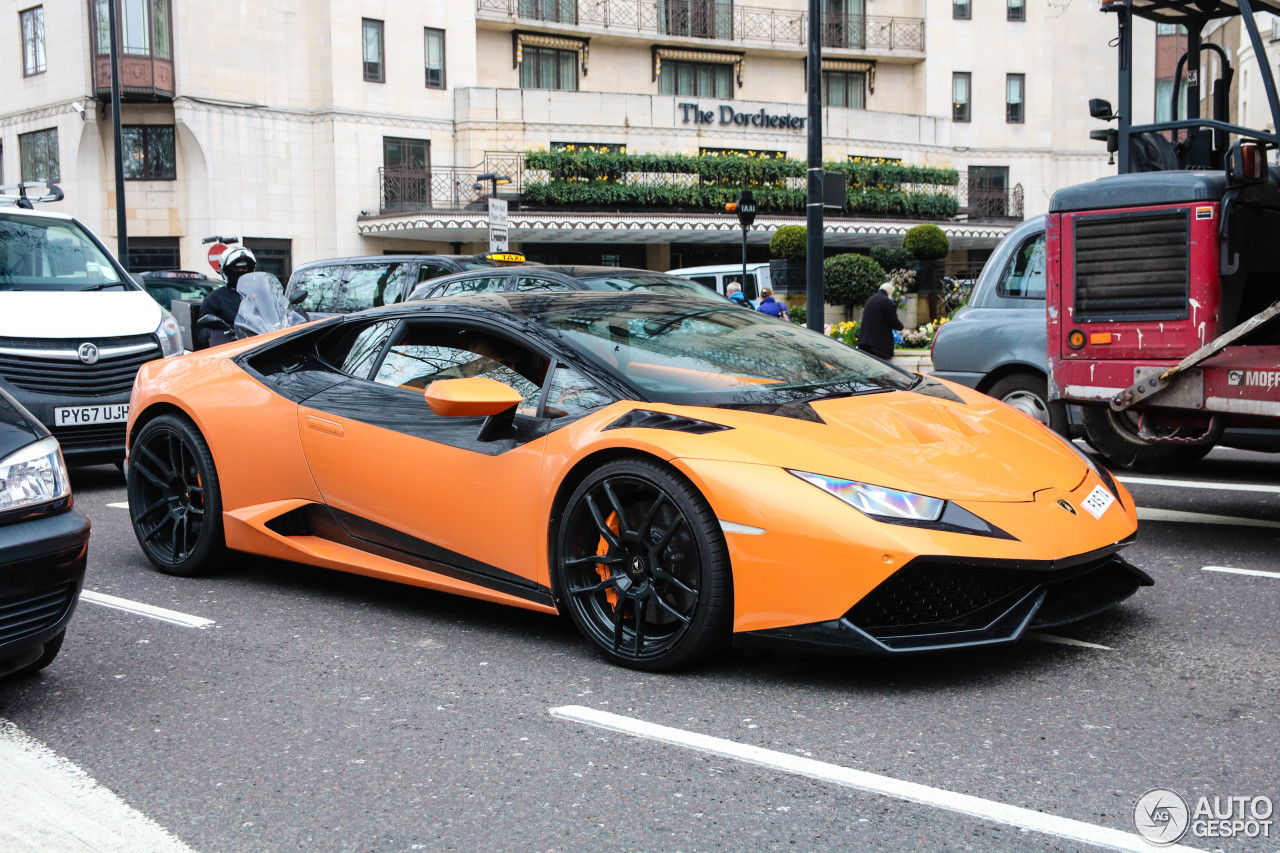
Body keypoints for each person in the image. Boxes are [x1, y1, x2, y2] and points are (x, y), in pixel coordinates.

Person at [196, 246, 257, 349]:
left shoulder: (259, 296)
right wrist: (222, 336)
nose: (241, 272)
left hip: (262, 345)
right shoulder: (214, 299)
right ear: (227, 271)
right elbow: (203, 331)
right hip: (234, 352)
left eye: (244, 268)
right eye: (237, 269)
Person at [855, 281, 904, 360]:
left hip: (865, 343)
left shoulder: (870, 300)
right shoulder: (887, 302)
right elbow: (893, 322)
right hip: (879, 346)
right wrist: (901, 326)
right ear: (890, 292)